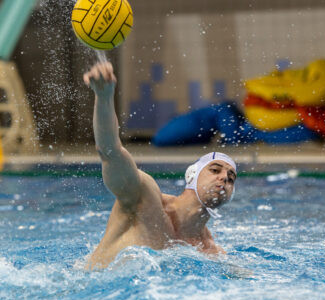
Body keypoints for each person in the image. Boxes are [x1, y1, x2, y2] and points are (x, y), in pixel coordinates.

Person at [83, 62, 237, 270]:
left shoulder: (211, 253)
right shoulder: (144, 198)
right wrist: (103, 97)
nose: (225, 178)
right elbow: (110, 152)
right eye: (215, 169)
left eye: (231, 177)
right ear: (192, 175)